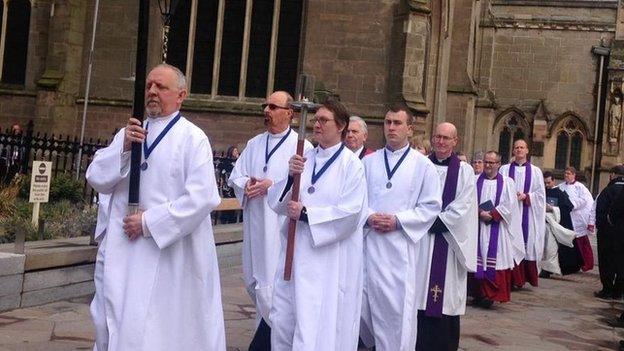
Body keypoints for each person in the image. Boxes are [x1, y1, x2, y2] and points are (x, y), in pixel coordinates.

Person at [86, 63, 226, 350]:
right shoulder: (132, 131)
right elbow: (96, 177)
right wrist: (124, 148)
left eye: (160, 87)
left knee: (160, 326)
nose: (151, 91)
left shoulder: (193, 138)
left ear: (181, 95)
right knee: (113, 317)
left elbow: (203, 196)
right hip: (125, 249)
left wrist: (150, 222)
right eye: (149, 85)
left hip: (170, 252)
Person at [267, 98, 367, 350]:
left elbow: (350, 214)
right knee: (283, 320)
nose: (317, 124)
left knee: (313, 325)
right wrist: (290, 177)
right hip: (294, 253)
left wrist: (307, 214)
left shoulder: (351, 165)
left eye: (324, 120)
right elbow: (277, 203)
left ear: (341, 125)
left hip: (326, 260)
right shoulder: (304, 157)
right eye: (316, 119)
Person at [228, 91, 312, 350]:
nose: (267, 110)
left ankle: (273, 341)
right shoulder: (255, 143)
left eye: (273, 107)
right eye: (265, 105)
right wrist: (247, 184)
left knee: (273, 289)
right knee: (255, 284)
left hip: (279, 230)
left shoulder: (302, 147)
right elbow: (235, 176)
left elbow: (304, 186)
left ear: (290, 112)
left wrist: (271, 185)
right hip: (255, 223)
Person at [360, 105, 441, 350]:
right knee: (362, 307)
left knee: (396, 313)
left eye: (397, 123)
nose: (391, 127)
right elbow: (355, 201)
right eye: (387, 122)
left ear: (409, 128)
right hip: (368, 245)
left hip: (399, 250)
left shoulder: (423, 165)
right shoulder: (368, 162)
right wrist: (370, 216)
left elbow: (431, 206)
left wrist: (398, 221)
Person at [415, 122, 478, 351]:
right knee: (417, 294)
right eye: (437, 137)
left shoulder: (464, 171)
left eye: (446, 138)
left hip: (447, 243)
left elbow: (464, 207)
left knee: (444, 297)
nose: (440, 142)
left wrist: (429, 221)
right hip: (419, 243)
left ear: (455, 141)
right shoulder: (420, 166)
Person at [469, 151, 524, 308]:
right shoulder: (474, 180)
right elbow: (468, 201)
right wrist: (480, 212)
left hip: (497, 229)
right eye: (486, 162)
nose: (487, 165)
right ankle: (477, 293)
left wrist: (493, 214)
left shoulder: (507, 182)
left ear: (499, 164)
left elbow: (510, 204)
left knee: (495, 260)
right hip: (478, 226)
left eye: (491, 163)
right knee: (476, 259)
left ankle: (490, 295)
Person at [499, 139, 546, 289]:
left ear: (527, 151)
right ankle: (510, 279)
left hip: (527, 213)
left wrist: (526, 196)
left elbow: (540, 195)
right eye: (516, 147)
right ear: (513, 151)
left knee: (527, 244)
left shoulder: (535, 171)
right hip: (509, 213)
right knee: (508, 243)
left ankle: (522, 279)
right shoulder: (504, 170)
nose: (519, 150)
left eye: (522, 147)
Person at [542, 171, 581, 277]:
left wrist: (553, 208)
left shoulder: (560, 193)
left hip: (554, 224)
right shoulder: (541, 192)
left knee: (550, 248)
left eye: (548, 182)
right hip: (542, 224)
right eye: (544, 183)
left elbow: (567, 208)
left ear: (554, 181)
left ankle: (547, 270)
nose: (546, 185)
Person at [593, 165, 624, 299]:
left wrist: (602, 226)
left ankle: (607, 289)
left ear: (612, 174)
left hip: (608, 233)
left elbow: (600, 212)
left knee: (606, 261)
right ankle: (618, 291)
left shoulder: (608, 191)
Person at [558, 166, 594, 272]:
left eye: (569, 173)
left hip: (577, 218)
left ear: (574, 175)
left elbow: (585, 200)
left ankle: (586, 264)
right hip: (565, 217)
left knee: (581, 242)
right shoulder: (560, 186)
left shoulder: (580, 187)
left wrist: (572, 204)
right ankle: (570, 264)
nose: (566, 175)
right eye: (565, 173)